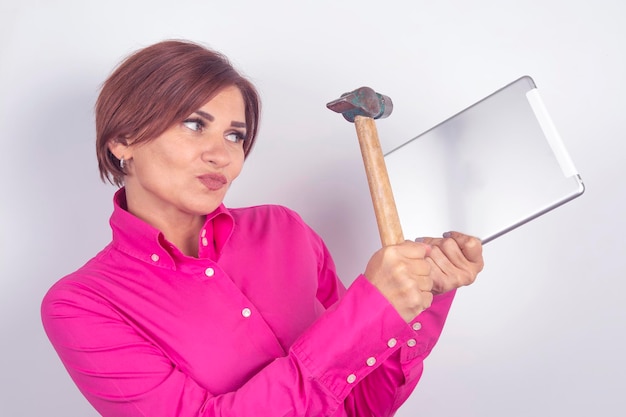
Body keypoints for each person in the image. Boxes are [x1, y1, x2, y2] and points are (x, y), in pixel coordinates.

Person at [41, 39, 483, 417]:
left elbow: (361, 404)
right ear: (122, 140)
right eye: (195, 125)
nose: (222, 155)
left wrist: (425, 294)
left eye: (235, 135)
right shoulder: (82, 305)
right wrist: (370, 308)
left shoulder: (283, 229)